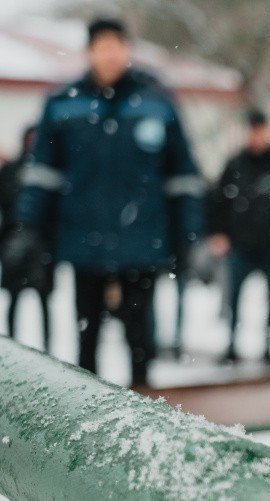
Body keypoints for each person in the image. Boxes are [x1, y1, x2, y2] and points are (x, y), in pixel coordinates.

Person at [10, 18, 204, 387]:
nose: (110, 53)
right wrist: (29, 230)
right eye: (102, 46)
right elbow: (42, 175)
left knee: (140, 339)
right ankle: (90, 421)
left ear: (127, 50)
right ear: (90, 52)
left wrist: (191, 237)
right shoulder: (62, 104)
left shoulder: (157, 102)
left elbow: (184, 177)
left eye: (117, 45)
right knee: (87, 338)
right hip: (84, 242)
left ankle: (146, 414)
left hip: (142, 243)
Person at [207, 108, 270, 364]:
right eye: (253, 131)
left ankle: (268, 347)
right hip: (240, 245)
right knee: (233, 297)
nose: (258, 137)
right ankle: (231, 346)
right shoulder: (235, 164)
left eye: (262, 131)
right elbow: (217, 201)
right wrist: (217, 233)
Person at [0, 125, 54, 350]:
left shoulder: (49, 171)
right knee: (14, 298)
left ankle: (48, 346)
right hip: (14, 241)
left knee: (44, 299)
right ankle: (13, 346)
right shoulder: (12, 170)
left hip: (42, 242)